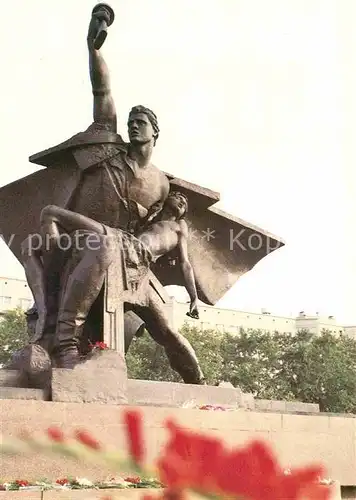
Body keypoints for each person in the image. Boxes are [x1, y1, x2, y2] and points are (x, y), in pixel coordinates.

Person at [21, 191, 204, 384]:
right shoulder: (147, 219)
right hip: (120, 240)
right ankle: (52, 296)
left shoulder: (179, 226)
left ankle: (198, 378)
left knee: (167, 333)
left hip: (136, 257)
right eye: (176, 196)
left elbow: (185, 264)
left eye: (184, 202)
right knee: (50, 213)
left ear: (183, 213)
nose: (180, 199)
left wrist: (194, 297)